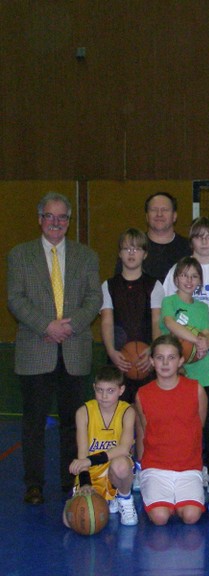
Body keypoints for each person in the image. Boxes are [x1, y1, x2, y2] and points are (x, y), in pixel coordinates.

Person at [7, 192, 102, 504]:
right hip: (36, 349)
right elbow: (15, 299)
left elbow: (94, 298)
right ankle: (34, 484)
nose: (56, 222)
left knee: (73, 423)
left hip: (74, 350)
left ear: (69, 222)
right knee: (34, 422)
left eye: (62, 217)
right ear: (40, 219)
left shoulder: (86, 256)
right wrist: (47, 326)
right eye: (50, 216)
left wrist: (69, 327)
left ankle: (70, 480)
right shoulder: (20, 255)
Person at [135, 335, 208, 525]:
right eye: (160, 358)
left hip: (188, 467)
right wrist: (141, 465)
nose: (165, 363)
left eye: (171, 357)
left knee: (191, 516)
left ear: (181, 361)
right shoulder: (143, 394)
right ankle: (156, 492)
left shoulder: (196, 389)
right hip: (156, 467)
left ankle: (183, 494)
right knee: (160, 518)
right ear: (152, 361)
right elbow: (145, 429)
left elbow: (199, 424)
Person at [163, 217, 209, 386]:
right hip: (182, 344)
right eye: (198, 237)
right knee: (182, 397)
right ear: (191, 241)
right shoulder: (177, 270)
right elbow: (167, 313)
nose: (204, 242)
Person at [160, 256, 209, 467]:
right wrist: (196, 340)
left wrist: (205, 343)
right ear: (176, 279)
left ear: (200, 281)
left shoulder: (202, 307)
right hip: (180, 374)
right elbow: (170, 324)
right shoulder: (169, 302)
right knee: (181, 422)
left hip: (205, 373)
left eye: (194, 276)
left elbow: (208, 333)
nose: (189, 280)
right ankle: (179, 463)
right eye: (184, 275)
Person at [66, 365, 138, 527]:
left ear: (121, 390)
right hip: (91, 471)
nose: (104, 396)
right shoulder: (83, 412)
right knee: (71, 520)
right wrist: (85, 483)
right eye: (100, 390)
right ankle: (104, 497)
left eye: (110, 391)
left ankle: (124, 498)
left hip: (114, 469)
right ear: (94, 388)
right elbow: (82, 453)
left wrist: (89, 460)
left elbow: (124, 448)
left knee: (121, 464)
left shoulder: (127, 411)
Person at [101, 228, 164, 403]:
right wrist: (111, 352)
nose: (131, 253)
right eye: (127, 248)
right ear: (119, 253)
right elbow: (106, 322)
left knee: (146, 410)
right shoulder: (108, 285)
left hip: (146, 360)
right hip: (118, 359)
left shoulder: (154, 285)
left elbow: (157, 321)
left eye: (136, 249)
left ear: (145, 254)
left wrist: (153, 350)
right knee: (119, 412)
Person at [116, 192, 191, 282]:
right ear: (147, 216)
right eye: (154, 210)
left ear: (174, 216)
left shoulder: (189, 248)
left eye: (165, 210)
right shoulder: (131, 248)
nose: (159, 214)